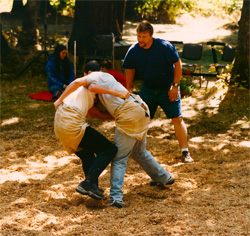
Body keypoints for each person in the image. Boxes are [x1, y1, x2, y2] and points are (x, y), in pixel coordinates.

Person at [82, 60, 175, 208]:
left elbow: (92, 91)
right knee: (139, 152)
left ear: (88, 73)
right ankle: (164, 177)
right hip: (141, 109)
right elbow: (105, 113)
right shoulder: (108, 77)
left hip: (129, 113)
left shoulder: (93, 78)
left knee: (119, 158)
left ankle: (116, 198)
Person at [122, 20, 194, 163]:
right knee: (139, 118)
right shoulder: (134, 50)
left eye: (144, 37)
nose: (140, 40)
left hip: (167, 88)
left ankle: (185, 152)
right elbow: (129, 69)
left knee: (177, 119)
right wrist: (128, 89)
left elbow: (177, 64)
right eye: (138, 36)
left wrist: (175, 86)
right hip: (148, 88)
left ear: (151, 36)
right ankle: (134, 151)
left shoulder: (164, 46)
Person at [53, 71, 130, 200]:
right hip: (71, 121)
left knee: (87, 154)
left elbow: (93, 114)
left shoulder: (78, 92)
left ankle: (91, 186)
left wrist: (117, 118)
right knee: (109, 149)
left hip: (60, 123)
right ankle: (88, 183)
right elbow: (89, 85)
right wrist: (119, 93)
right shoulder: (92, 80)